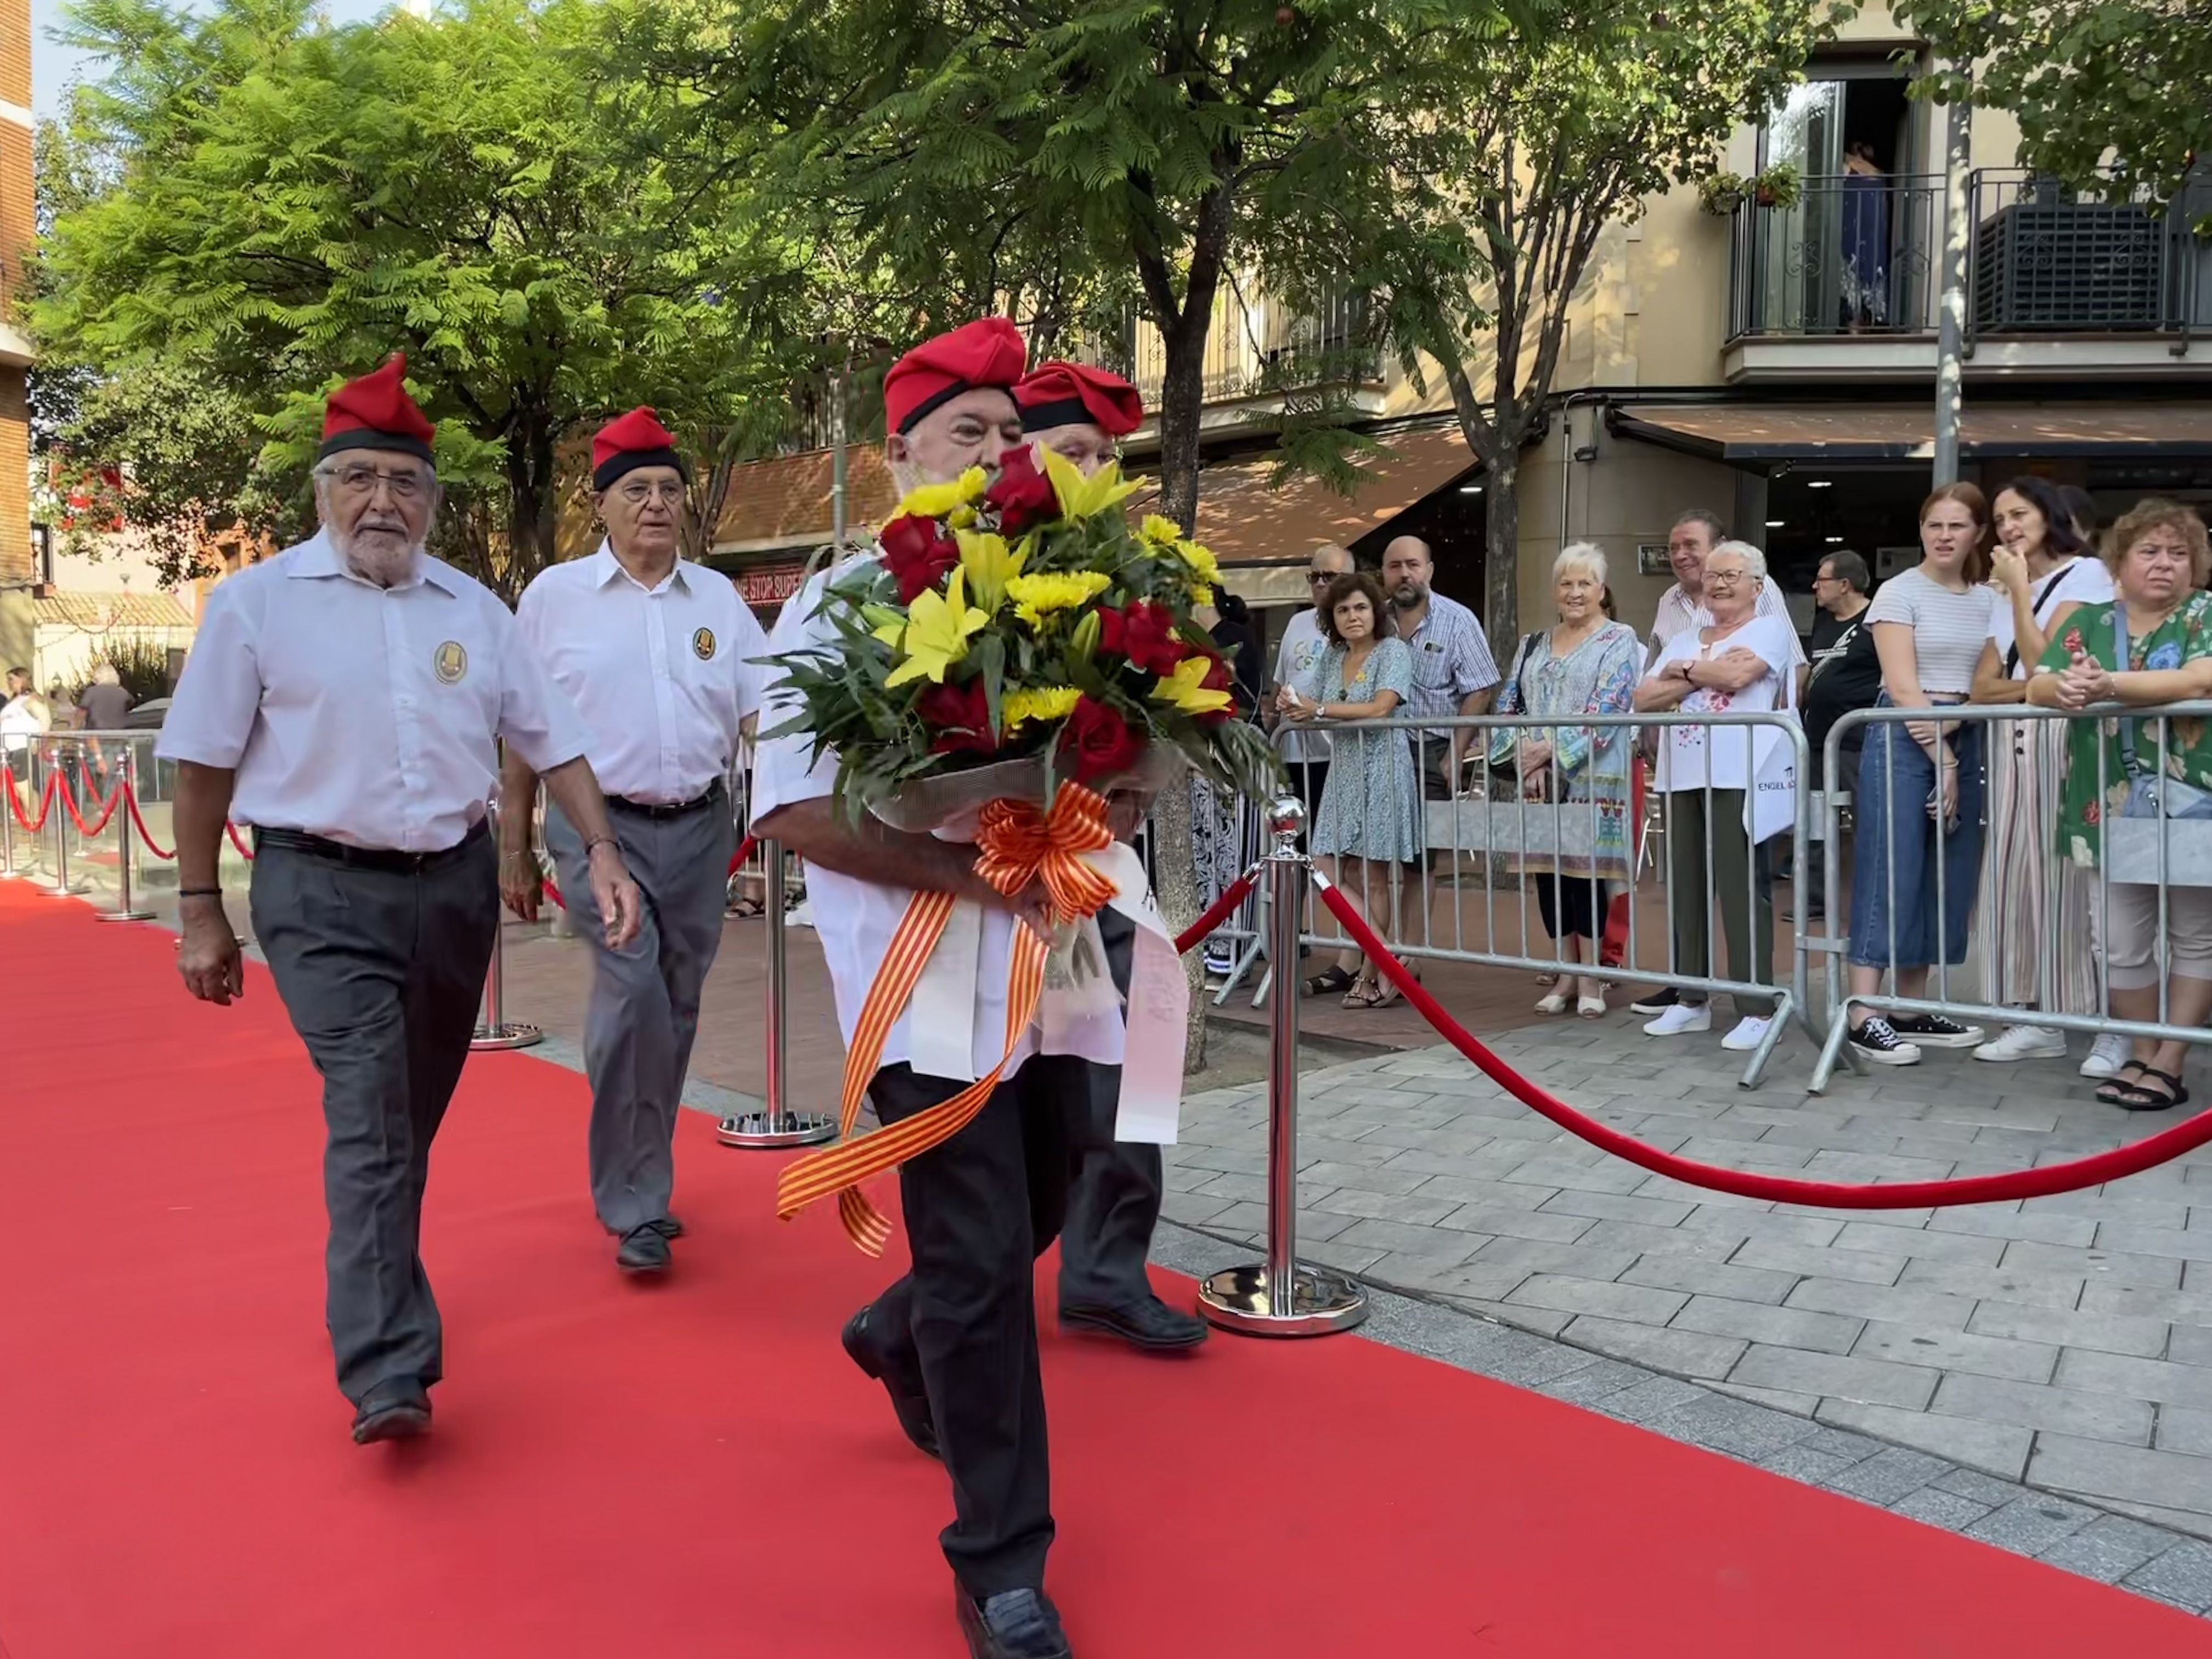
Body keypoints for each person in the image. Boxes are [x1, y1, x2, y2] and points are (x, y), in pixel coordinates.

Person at [155, 354, 643, 1446]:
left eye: (405, 483)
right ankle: (387, 1365)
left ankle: (382, 1275)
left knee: (406, 1121)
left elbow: (548, 739)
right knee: (372, 1116)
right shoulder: (255, 606)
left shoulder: (474, 607)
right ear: (324, 491)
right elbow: (199, 764)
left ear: (433, 500)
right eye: (360, 478)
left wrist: (601, 849)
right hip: (317, 894)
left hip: (452, 891)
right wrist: (201, 908)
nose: (384, 502)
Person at [755, 318, 1090, 1659]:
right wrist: (970, 878)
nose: (1000, 454)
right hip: (924, 983)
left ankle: (902, 1334)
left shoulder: (1061, 590)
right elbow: (791, 813)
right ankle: (1001, 1565)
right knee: (976, 1252)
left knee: (1060, 1183)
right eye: (971, 435)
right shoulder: (837, 611)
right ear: (892, 463)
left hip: (1056, 963)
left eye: (1014, 437)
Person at [499, 407, 767, 1276]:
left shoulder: (718, 601)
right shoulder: (554, 599)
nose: (655, 504)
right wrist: (515, 845)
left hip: (698, 828)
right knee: (630, 996)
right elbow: (522, 731)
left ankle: (644, 1170)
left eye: (668, 490)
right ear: (601, 504)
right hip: (596, 832)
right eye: (636, 491)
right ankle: (635, 1204)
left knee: (676, 1004)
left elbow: (766, 710)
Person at [1011, 358, 1207, 1355]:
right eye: (1071, 451)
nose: (1093, 471)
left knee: (1137, 1062)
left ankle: (1106, 1268)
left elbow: (1168, 707)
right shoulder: (976, 567)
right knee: (1013, 1098)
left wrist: (1139, 780)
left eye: (1104, 455)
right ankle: (959, 1289)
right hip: (999, 879)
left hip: (1105, 867)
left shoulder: (1136, 572)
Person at [2029, 500, 2212, 1110]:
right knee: (2118, 939)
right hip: (2101, 801)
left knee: (2194, 934)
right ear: (2121, 560)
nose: (2165, 564)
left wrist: (2107, 686)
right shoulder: (2091, 623)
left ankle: (2170, 1058)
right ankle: (2143, 1046)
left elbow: (2197, 680)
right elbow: (2035, 682)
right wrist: (2067, 686)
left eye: (2178, 553)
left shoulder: (2204, 613)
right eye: (2150, 551)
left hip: (2192, 799)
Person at [1841, 483, 1997, 1065]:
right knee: (1890, 866)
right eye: (1935, 524)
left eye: (1958, 526)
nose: (1945, 535)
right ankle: (1863, 1010)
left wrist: (1956, 744)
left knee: (1943, 872)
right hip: (1905, 735)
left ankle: (1910, 1006)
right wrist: (1945, 759)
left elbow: (1990, 678)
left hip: (1963, 728)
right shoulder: (1898, 591)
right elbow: (1903, 687)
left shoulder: (1989, 599)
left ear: (1978, 533)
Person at [1967, 476, 2114, 1068]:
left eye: (2019, 514)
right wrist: (2031, 686)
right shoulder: (2007, 592)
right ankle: (2029, 1012)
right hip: (2012, 740)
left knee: (2065, 882)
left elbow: (2043, 665)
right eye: (2000, 518)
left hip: (2066, 742)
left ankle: (2081, 1010)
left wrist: (2022, 595)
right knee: (2012, 880)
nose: (2007, 528)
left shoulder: (2086, 576)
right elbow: (1983, 689)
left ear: (2049, 515)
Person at [1634, 509, 1803, 1019]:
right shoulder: (1685, 637)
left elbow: (1741, 677)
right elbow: (1644, 697)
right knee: (1685, 889)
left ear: (1757, 585)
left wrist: (1682, 674)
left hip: (1741, 773)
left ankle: (1757, 1005)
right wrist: (1700, 668)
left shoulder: (1769, 629)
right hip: (1683, 774)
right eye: (1713, 577)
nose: (1719, 585)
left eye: (1731, 577)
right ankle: (1690, 997)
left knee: (1740, 888)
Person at [1490, 544, 1640, 1017]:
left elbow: (1608, 706)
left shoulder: (1618, 639)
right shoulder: (1532, 643)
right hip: (1536, 783)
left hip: (1594, 780)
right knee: (1549, 878)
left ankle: (1593, 978)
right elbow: (1508, 707)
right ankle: (1565, 972)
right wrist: (1527, 761)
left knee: (1588, 877)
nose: (1575, 593)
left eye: (1585, 583)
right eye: (1567, 584)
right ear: (1555, 590)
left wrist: (1553, 754)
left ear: (1601, 590)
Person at [1282, 569, 1419, 1007]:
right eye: (1342, 609)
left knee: (1375, 875)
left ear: (1375, 611)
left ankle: (1371, 972)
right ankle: (1386, 950)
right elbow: (1318, 706)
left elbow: (1382, 707)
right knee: (1325, 864)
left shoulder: (1393, 650)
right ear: (1331, 617)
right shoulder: (1332, 655)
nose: (1352, 616)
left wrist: (1317, 708)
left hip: (1383, 765)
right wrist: (1298, 708)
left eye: (1360, 607)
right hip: (1343, 767)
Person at [1794, 550, 1881, 919]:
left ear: (1844, 585)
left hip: (1858, 741)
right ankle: (1815, 900)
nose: (1815, 585)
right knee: (1815, 822)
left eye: (1822, 579)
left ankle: (1871, 901)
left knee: (1868, 824)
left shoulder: (1877, 622)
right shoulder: (1824, 622)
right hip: (1817, 740)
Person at [1380, 534, 1497, 801]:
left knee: (1435, 838)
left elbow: (1480, 692)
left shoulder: (1459, 621)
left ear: (1429, 571)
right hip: (1381, 751)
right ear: (1384, 573)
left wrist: (1453, 757)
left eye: (1413, 565)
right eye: (1395, 566)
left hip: (1433, 751)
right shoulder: (1373, 622)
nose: (1405, 574)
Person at [1271, 543, 1355, 819]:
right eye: (1314, 576)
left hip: (1338, 754)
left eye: (1329, 576)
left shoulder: (1358, 627)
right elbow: (1280, 681)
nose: (1320, 583)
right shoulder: (1297, 622)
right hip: (1292, 752)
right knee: (1295, 838)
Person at [78, 662, 135, 791]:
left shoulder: (92, 692)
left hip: (95, 737)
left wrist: (74, 729)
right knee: (114, 772)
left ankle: (103, 805)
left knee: (94, 773)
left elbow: (81, 714)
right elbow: (131, 704)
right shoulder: (123, 693)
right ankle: (111, 805)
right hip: (118, 737)